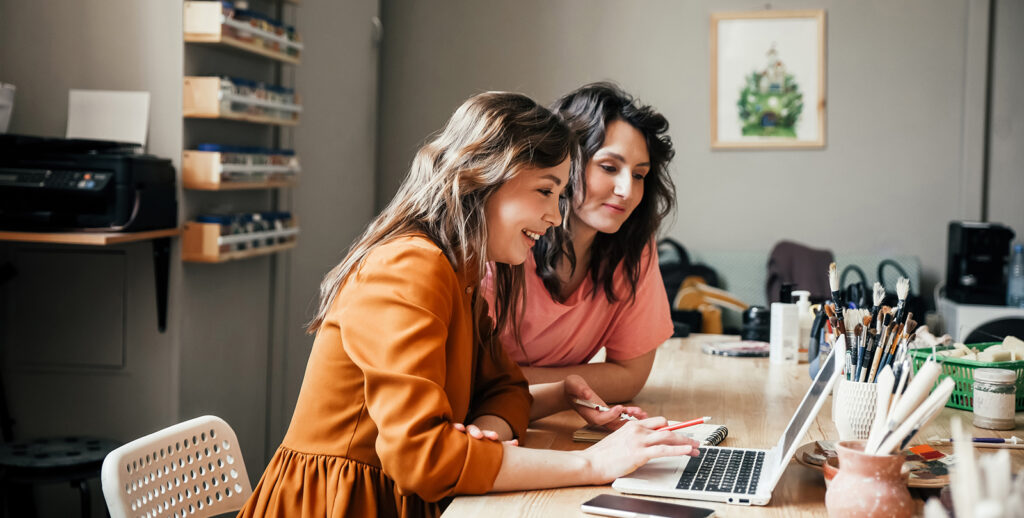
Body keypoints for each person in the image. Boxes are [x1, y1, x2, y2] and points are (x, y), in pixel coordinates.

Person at [237, 92, 698, 518]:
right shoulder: (410, 267)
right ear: (480, 177)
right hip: (343, 504)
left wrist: (548, 399)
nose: (555, 216)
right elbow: (423, 460)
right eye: (545, 191)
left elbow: (505, 389)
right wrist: (591, 463)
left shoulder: (461, 270)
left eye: (560, 196)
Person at [484, 83, 677, 412]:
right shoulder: (502, 242)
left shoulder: (633, 248)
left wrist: (517, 381)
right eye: (609, 168)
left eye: (640, 175)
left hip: (533, 417)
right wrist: (575, 383)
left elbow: (630, 377)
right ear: (564, 160)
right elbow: (468, 381)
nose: (627, 190)